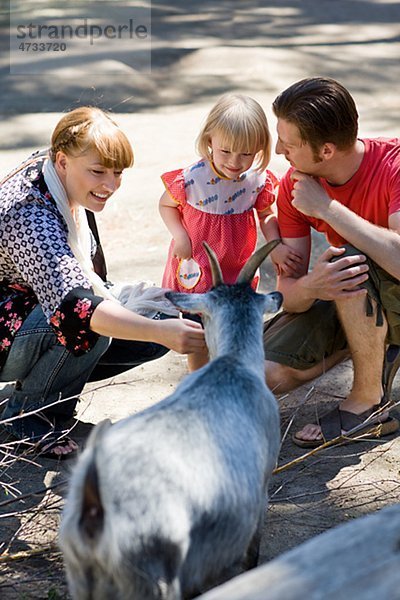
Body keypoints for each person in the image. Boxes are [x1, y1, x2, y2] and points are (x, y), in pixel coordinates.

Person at [0, 106, 205, 459]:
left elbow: (88, 279)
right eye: (98, 172)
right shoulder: (30, 214)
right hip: (8, 318)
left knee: (165, 311)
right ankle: (26, 416)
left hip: (28, 306)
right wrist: (158, 331)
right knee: (96, 325)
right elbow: (75, 305)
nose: (110, 186)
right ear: (61, 160)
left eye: (117, 173)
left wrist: (157, 326)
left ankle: (52, 394)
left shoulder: (62, 177)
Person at [263, 76, 400, 448]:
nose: (278, 151)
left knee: (349, 261)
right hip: (361, 298)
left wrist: (327, 208)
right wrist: (311, 286)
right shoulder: (295, 189)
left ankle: (368, 403)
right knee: (264, 374)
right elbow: (288, 296)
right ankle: (376, 346)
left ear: (325, 151)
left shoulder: (394, 165)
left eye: (288, 144)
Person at [159, 93, 302, 371]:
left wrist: (277, 246)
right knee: (200, 324)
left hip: (236, 265)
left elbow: (265, 214)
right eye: (226, 151)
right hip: (199, 261)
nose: (235, 162)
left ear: (259, 148)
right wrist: (180, 236)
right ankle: (200, 376)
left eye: (246, 153)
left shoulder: (256, 180)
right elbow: (166, 205)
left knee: (233, 321)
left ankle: (227, 368)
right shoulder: (192, 179)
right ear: (210, 140)